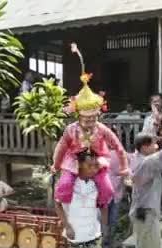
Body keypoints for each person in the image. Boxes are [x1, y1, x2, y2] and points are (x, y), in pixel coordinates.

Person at [52, 43, 129, 209]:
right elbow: (61, 147)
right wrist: (56, 165)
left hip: (96, 161)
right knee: (64, 186)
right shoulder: (71, 130)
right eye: (86, 119)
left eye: (93, 118)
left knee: (107, 189)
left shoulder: (102, 129)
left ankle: (99, 209)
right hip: (74, 160)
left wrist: (124, 167)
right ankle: (68, 211)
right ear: (79, 116)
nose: (89, 122)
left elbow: (118, 146)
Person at [57, 149, 107, 248]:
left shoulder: (97, 183)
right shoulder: (68, 184)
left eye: (95, 166)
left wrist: (104, 226)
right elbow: (57, 204)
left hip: (93, 230)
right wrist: (67, 226)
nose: (94, 169)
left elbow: (104, 204)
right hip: (76, 232)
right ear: (79, 165)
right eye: (90, 165)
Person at [102, 150, 126, 248]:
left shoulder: (110, 155)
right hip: (108, 194)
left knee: (110, 220)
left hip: (114, 194)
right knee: (110, 219)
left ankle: (107, 242)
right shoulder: (111, 156)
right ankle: (107, 242)